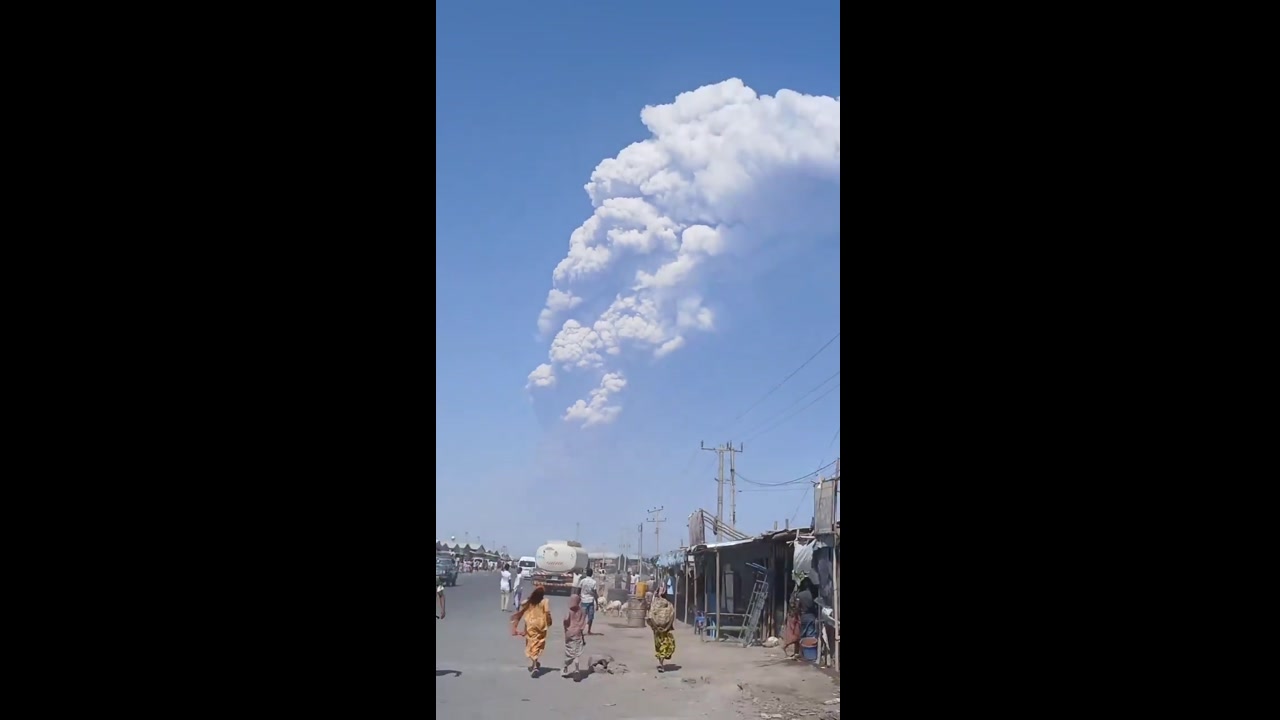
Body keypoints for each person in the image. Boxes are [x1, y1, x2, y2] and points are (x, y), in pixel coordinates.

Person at [511, 586, 552, 675]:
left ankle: (535, 663)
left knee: (531, 644)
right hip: (541, 625)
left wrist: (530, 598)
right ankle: (535, 665)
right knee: (537, 644)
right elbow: (547, 613)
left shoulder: (531, 602)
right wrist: (549, 622)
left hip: (531, 625)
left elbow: (522, 604)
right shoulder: (545, 601)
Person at [647, 588, 676, 672]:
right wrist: (667, 627)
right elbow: (671, 617)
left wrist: (656, 627)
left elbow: (651, 617)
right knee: (665, 645)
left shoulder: (654, 604)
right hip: (665, 630)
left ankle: (661, 663)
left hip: (657, 630)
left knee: (658, 645)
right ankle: (661, 662)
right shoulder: (669, 605)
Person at [561, 593, 588, 678]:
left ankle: (565, 667)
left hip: (569, 634)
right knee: (576, 653)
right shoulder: (582, 611)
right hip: (578, 634)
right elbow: (583, 624)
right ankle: (576, 669)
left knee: (569, 652)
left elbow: (565, 621)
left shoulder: (569, 611)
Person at [577, 567, 599, 635]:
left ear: (586, 573)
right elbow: (595, 593)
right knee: (590, 617)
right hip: (590, 601)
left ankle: (581, 630)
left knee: (582, 617)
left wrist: (578, 599)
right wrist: (597, 603)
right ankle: (589, 630)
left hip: (583, 601)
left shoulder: (582, 581)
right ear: (592, 574)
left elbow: (578, 591)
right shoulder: (593, 582)